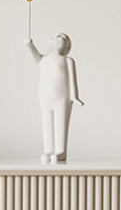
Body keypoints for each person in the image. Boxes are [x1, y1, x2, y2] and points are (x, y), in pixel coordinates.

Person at [25, 33, 84, 163]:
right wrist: (30, 45)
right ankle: (48, 149)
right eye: (55, 36)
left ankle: (60, 151)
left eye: (62, 37)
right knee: (46, 122)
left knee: (61, 122)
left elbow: (72, 79)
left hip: (62, 98)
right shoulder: (43, 59)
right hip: (44, 97)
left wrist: (75, 97)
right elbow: (36, 56)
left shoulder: (68, 60)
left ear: (67, 48)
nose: (57, 37)